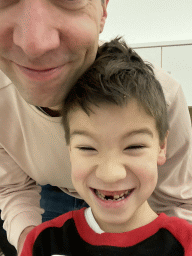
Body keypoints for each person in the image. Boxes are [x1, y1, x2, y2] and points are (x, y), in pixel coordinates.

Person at [0, 0, 192, 255]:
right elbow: (14, 189)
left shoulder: (164, 96)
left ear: (103, 9)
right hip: (50, 192)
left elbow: (176, 201)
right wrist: (33, 243)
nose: (35, 46)